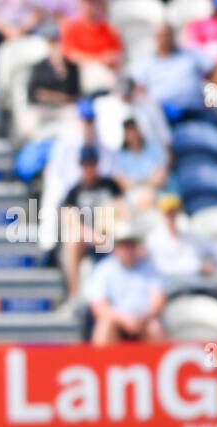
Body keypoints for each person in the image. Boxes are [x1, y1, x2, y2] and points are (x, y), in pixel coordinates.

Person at [59, 144, 123, 298]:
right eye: (85, 164)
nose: (89, 168)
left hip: (112, 231)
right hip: (89, 237)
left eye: (92, 163)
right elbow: (71, 220)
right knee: (72, 240)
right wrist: (95, 237)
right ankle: (74, 294)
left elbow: (122, 209)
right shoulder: (75, 191)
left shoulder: (110, 185)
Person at [86, 223, 166, 346]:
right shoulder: (103, 270)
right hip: (116, 323)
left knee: (154, 327)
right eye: (124, 245)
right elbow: (99, 307)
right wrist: (123, 319)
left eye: (131, 245)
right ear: (116, 248)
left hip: (144, 321)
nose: (128, 250)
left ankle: (160, 363)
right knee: (104, 326)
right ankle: (100, 363)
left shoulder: (150, 268)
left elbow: (158, 300)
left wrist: (142, 318)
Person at [144, 193, 217, 303]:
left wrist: (213, 262)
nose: (171, 215)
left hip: (198, 283)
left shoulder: (192, 233)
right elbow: (163, 268)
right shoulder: (154, 238)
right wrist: (198, 267)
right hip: (173, 285)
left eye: (174, 211)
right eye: (168, 212)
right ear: (161, 213)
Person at [0, 0, 47, 102]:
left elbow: (39, 11)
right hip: (0, 27)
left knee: (47, 39)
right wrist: (6, 29)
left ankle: (44, 84)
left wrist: (22, 29)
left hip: (26, 28)